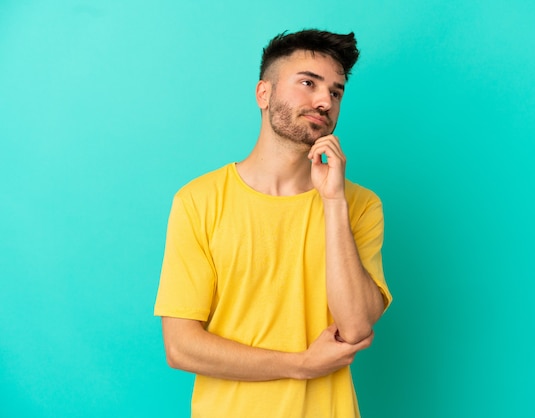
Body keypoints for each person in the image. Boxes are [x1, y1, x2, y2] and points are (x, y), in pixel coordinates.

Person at [154, 29, 392, 418]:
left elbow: (355, 328)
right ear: (264, 94)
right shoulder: (198, 201)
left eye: (336, 92)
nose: (324, 101)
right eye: (308, 83)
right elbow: (181, 347)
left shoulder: (360, 205)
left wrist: (333, 202)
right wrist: (300, 365)